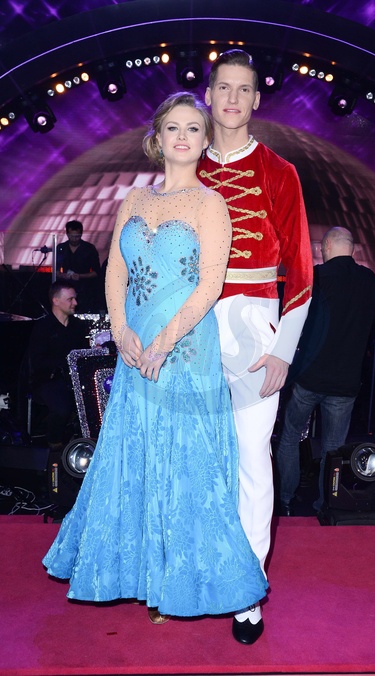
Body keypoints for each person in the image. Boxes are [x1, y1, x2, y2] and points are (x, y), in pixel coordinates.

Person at [42, 92, 268, 631]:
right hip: (134, 347)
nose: (183, 137)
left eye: (193, 128)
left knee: (185, 462)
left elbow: (210, 284)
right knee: (138, 454)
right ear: (157, 138)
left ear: (205, 140)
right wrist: (122, 332)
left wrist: (163, 341)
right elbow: (115, 273)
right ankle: (147, 575)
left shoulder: (211, 203)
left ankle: (184, 580)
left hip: (185, 349)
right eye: (173, 128)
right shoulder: (132, 201)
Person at [198, 49, 313, 643]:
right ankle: (191, 574)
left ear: (257, 100)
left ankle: (247, 589)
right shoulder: (185, 164)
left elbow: (302, 270)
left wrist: (283, 350)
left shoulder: (280, 172)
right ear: (208, 94)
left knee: (250, 458)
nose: (233, 99)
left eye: (244, 89)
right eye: (225, 87)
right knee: (194, 458)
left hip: (255, 327)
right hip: (191, 330)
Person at [275, 227, 375, 515]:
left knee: (289, 437)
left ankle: (285, 500)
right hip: (346, 381)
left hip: (309, 377)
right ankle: (327, 506)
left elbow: (296, 321)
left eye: (321, 248)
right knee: (334, 449)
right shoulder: (370, 281)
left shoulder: (317, 277)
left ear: (327, 246)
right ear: (352, 249)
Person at [27, 280, 88, 450]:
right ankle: (54, 443)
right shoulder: (43, 327)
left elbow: (82, 353)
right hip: (48, 379)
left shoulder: (78, 326)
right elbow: (37, 361)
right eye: (70, 299)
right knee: (62, 407)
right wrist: (64, 363)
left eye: (74, 298)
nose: (75, 303)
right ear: (56, 300)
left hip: (73, 379)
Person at [56, 220, 101, 312]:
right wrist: (62, 275)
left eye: (77, 236)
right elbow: (55, 270)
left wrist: (80, 276)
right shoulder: (61, 248)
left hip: (85, 289)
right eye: (71, 236)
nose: (74, 239)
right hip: (66, 288)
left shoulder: (89, 248)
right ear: (67, 234)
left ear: (81, 234)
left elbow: (96, 272)